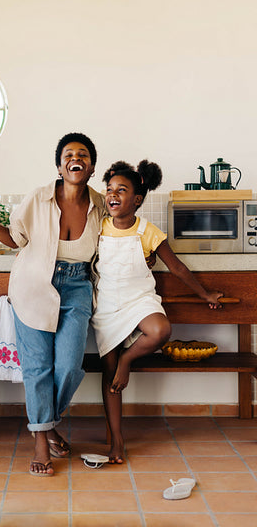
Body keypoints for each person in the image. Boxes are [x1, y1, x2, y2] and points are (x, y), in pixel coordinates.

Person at [0, 133, 105, 476]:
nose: (76, 158)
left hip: (78, 286)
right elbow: (15, 239)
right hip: (34, 284)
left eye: (83, 154)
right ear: (59, 165)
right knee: (38, 368)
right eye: (69, 154)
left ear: (91, 167)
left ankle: (47, 422)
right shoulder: (38, 199)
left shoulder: (101, 204)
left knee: (69, 367)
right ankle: (41, 440)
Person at [91, 159, 223, 464]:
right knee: (109, 376)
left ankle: (128, 358)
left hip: (140, 300)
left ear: (137, 199)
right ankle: (117, 441)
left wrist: (204, 293)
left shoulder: (148, 231)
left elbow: (176, 267)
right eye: (109, 189)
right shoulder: (98, 226)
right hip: (107, 306)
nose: (112, 195)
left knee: (161, 330)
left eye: (121, 190)